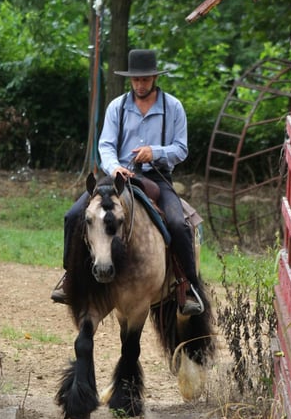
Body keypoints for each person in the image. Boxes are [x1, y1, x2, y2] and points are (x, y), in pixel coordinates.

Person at [51, 49, 204, 316]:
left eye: (145, 79)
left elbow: (181, 149)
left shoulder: (174, 107)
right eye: (135, 80)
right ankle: (70, 277)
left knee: (179, 224)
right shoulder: (117, 107)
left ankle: (186, 286)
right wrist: (115, 167)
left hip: (157, 177)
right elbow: (106, 145)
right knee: (73, 215)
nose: (140, 85)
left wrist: (154, 152)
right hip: (118, 177)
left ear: (155, 77)